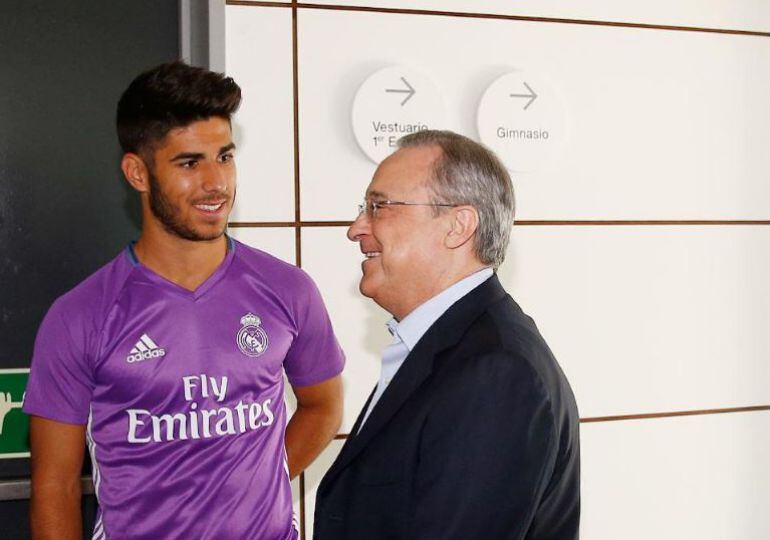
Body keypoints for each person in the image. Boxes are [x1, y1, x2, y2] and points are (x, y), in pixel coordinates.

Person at [23, 61, 344, 540]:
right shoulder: (80, 316)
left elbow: (323, 406)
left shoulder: (287, 289)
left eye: (225, 156)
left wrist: (251, 484)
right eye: (190, 163)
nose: (216, 183)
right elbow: (55, 486)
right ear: (137, 172)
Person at [313, 130, 580, 539]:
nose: (356, 229)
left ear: (458, 226)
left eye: (379, 207)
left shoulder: (496, 373)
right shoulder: (457, 348)